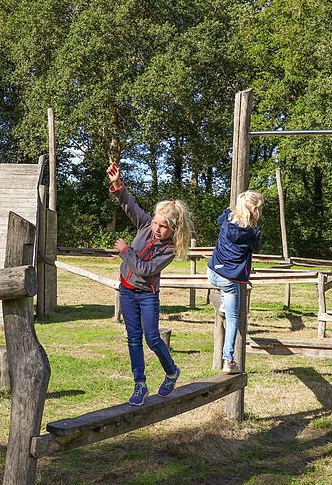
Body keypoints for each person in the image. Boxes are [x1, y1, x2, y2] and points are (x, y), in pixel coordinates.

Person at [107, 160, 192, 406]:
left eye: (163, 226)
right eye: (155, 222)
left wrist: (125, 251)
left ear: (173, 228)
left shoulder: (169, 250)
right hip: (127, 289)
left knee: (152, 338)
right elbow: (130, 206)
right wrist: (118, 185)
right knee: (133, 338)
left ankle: (171, 372)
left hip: (147, 294)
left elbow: (145, 270)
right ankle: (140, 384)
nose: (156, 228)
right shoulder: (145, 224)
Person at [206, 190, 264, 373]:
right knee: (233, 320)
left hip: (212, 271)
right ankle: (228, 360)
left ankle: (223, 303)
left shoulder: (226, 218)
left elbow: (219, 218)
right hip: (229, 280)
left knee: (226, 295)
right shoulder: (252, 232)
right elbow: (258, 248)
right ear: (254, 209)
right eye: (260, 209)